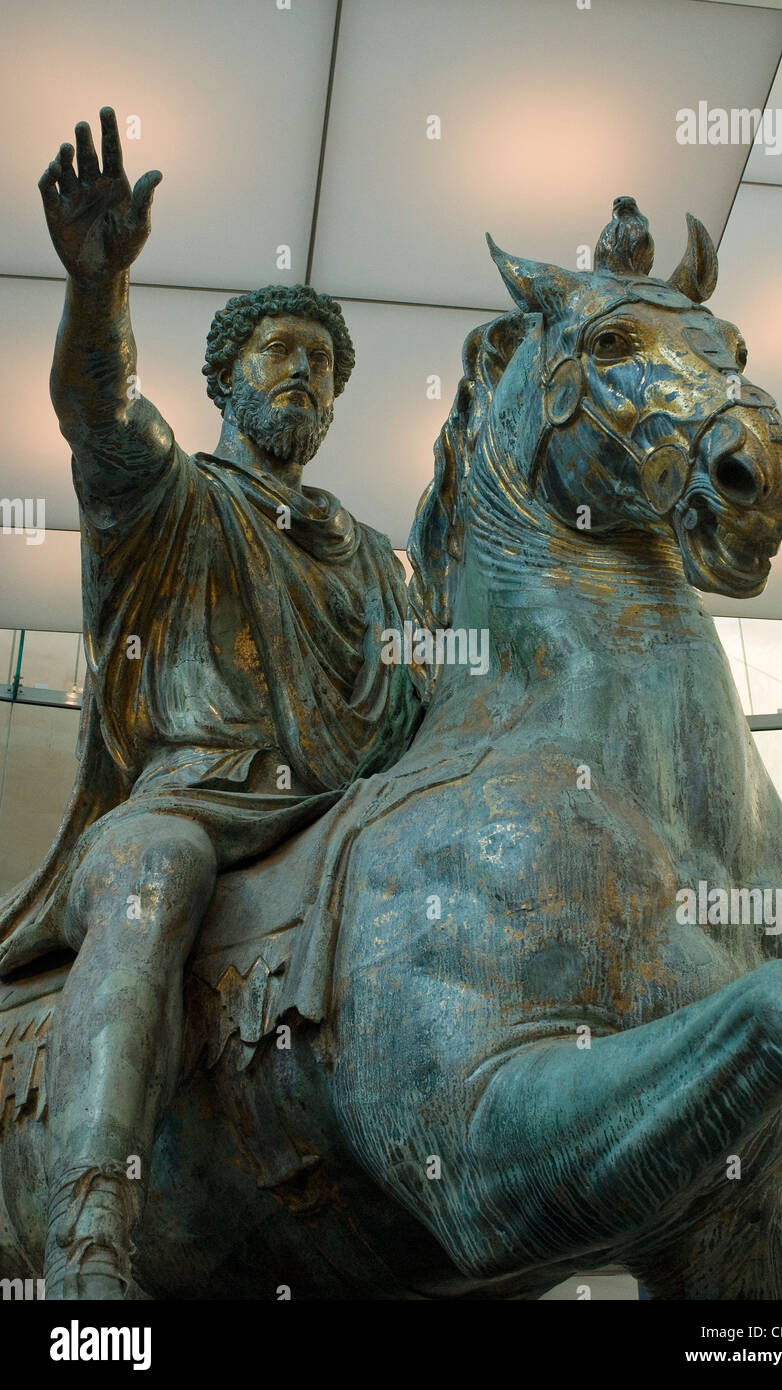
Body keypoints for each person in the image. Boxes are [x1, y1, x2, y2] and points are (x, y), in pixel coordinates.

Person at [0, 107, 420, 1299]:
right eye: (280, 349)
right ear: (225, 376)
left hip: (339, 821)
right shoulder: (173, 494)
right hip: (189, 803)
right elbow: (96, 410)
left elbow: (423, 707)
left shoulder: (376, 559)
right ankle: (90, 1228)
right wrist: (99, 286)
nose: (304, 371)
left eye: (322, 363)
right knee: (155, 877)